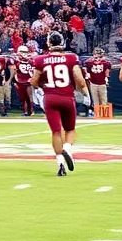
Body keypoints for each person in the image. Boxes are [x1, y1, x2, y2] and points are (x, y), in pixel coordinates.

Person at [31, 31, 88, 177]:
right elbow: (80, 79)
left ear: (48, 43)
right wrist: (85, 94)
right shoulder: (71, 58)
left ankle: (60, 164)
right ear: (62, 42)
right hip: (67, 97)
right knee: (70, 130)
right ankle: (67, 148)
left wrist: (40, 88)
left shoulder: (40, 59)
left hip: (50, 98)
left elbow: (34, 81)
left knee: (56, 132)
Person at [83, 47, 112, 118]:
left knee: (103, 99)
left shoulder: (106, 63)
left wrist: (107, 78)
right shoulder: (89, 63)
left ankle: (104, 115)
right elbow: (86, 69)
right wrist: (87, 74)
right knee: (95, 100)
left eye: (100, 57)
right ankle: (97, 114)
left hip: (102, 83)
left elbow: (107, 73)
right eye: (96, 57)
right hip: (93, 83)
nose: (98, 59)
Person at [13, 46, 36, 117]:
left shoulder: (18, 60)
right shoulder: (18, 60)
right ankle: (28, 111)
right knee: (25, 97)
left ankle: (29, 111)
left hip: (26, 80)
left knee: (28, 97)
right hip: (23, 80)